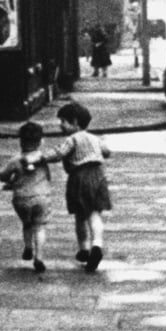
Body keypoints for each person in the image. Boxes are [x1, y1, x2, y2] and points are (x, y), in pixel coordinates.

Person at [40, 102, 112, 272]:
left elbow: (59, 154)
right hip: (98, 176)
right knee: (94, 214)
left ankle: (84, 249)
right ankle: (97, 245)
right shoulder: (95, 138)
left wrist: (40, 157)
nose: (60, 125)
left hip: (79, 178)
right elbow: (107, 151)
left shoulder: (72, 139)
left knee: (80, 216)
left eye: (63, 121)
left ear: (75, 122)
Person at [0, 122, 51, 273]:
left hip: (21, 199)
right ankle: (39, 257)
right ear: (41, 141)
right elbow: (48, 176)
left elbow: (2, 175)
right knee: (39, 227)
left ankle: (28, 247)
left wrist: (10, 180)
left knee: (27, 223)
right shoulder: (42, 159)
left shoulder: (15, 160)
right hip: (41, 198)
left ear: (20, 141)